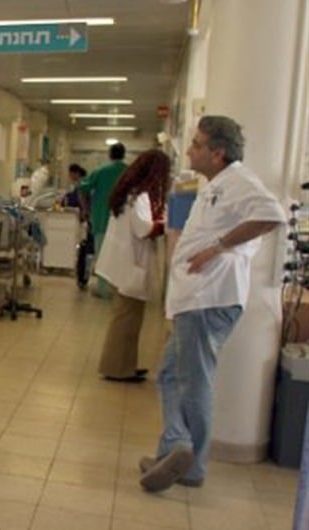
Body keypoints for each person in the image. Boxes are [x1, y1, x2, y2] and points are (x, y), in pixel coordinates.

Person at [139, 115, 284, 492]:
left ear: (218, 153)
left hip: (210, 298)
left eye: (197, 144)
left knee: (193, 380)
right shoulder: (216, 185)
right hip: (196, 298)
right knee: (170, 375)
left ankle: (189, 460)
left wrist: (218, 247)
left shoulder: (238, 180)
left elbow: (272, 215)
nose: (189, 150)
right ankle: (173, 450)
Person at [94, 149, 171, 383]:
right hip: (130, 264)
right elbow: (144, 229)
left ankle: (125, 365)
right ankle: (117, 368)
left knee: (128, 318)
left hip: (123, 262)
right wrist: (167, 222)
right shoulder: (139, 196)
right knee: (126, 319)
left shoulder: (130, 192)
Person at [78, 142, 128, 297]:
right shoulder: (129, 172)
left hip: (101, 218)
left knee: (102, 256)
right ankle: (118, 289)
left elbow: (82, 189)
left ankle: (103, 289)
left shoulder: (100, 171)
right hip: (123, 221)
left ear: (109, 154)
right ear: (124, 155)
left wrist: (86, 210)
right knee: (120, 256)